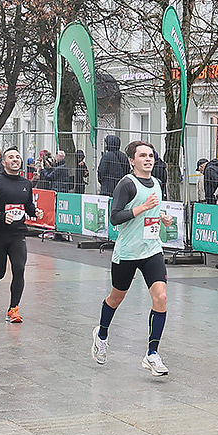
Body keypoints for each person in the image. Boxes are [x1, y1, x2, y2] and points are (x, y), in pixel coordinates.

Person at [92, 142, 171, 376]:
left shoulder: (156, 182)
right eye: (142, 156)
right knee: (116, 298)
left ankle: (152, 354)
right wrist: (143, 207)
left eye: (150, 155)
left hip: (152, 250)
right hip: (127, 252)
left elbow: (151, 214)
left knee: (161, 297)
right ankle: (102, 335)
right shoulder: (127, 184)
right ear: (131, 161)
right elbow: (115, 217)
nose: (148, 159)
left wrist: (162, 217)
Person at [0, 146, 39, 323]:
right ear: (4, 163)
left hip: (17, 234)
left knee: (19, 269)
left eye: (17, 157)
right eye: (11, 157)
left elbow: (27, 207)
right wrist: (0, 216)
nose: (15, 160)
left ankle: (13, 309)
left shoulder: (26, 184)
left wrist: (36, 212)